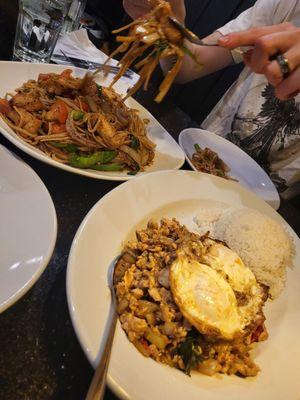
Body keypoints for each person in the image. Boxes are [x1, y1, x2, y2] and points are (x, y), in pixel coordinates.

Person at [123, 0, 300, 199]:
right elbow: (187, 67)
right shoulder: (286, 5)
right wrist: (170, 23)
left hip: (270, 210)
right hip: (198, 163)